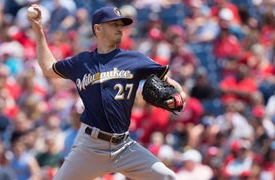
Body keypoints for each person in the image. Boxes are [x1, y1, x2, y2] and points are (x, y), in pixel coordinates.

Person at [27, 4, 187, 180]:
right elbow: (48, 68)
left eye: (121, 24)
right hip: (90, 147)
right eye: (114, 24)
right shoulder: (82, 62)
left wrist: (179, 96)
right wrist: (38, 29)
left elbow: (172, 84)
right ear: (98, 28)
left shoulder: (135, 59)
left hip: (124, 147)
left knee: (168, 177)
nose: (120, 28)